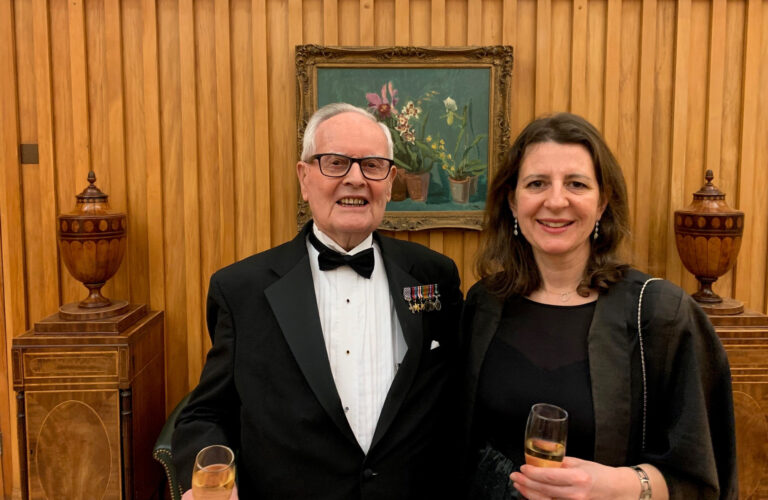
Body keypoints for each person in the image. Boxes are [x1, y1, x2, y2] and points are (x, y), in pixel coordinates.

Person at [172, 102, 463, 499]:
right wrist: (212, 477)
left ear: (391, 181)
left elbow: (453, 401)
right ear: (304, 177)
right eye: (336, 162)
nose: (356, 179)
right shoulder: (241, 290)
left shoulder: (434, 277)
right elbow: (206, 413)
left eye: (373, 165)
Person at [462, 112, 737, 499]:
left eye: (576, 184)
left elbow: (705, 477)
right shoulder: (484, 304)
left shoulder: (661, 314)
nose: (556, 201)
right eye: (537, 183)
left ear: (603, 201)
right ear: (512, 201)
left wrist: (619, 485)